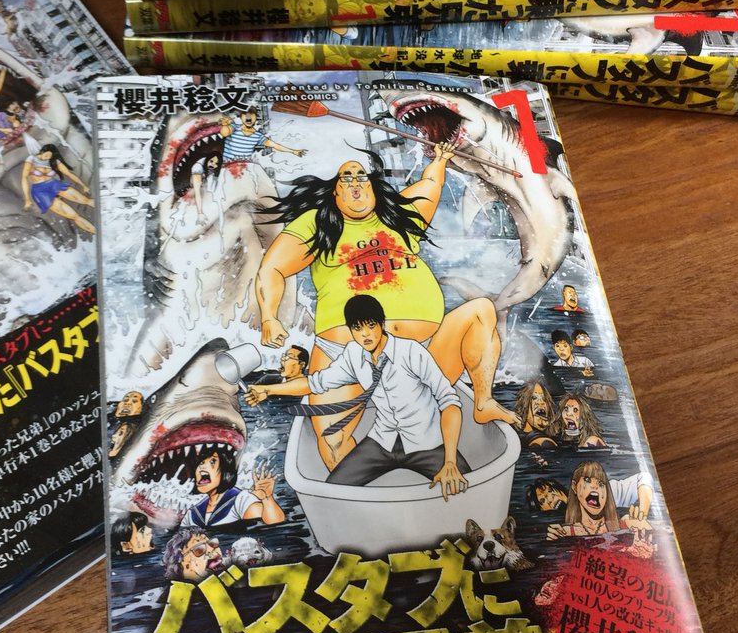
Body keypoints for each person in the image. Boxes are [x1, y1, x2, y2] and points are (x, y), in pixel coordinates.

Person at [255, 149, 517, 428]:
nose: (355, 183)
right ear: (335, 192)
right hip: (346, 354)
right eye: (346, 178)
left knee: (482, 310)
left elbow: (431, 183)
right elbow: (272, 269)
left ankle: (483, 402)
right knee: (334, 442)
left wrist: (441, 158)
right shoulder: (317, 222)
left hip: (421, 356)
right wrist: (269, 317)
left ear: (372, 187)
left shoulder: (399, 215)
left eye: (361, 177)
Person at [247, 294, 467, 497]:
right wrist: (268, 390)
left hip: (427, 443)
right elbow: (315, 383)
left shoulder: (410, 351)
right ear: (351, 330)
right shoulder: (354, 354)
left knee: (468, 483)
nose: (365, 335)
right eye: (358, 328)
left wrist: (449, 461)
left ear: (382, 324)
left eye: (371, 326)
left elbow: (449, 402)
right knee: (334, 490)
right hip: (382, 442)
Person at [181, 447, 285, 528]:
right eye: (201, 463)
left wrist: (267, 498)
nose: (202, 467)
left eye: (212, 462)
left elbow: (271, 525)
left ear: (226, 471)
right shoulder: (192, 515)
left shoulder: (241, 500)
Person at [526, 468, 653, 532]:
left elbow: (644, 477)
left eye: (550, 491)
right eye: (542, 501)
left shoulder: (598, 494)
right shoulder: (558, 530)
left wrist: (642, 514)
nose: (550, 499)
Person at [21, 143, 95, 235]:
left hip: (53, 184)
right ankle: (96, 231)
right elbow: (24, 178)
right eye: (47, 155)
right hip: (40, 192)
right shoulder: (31, 159)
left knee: (85, 200)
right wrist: (27, 199)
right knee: (74, 216)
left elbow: (69, 174)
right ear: (42, 151)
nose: (48, 158)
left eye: (50, 156)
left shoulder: (53, 161)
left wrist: (83, 185)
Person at [220, 106, 306, 163]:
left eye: (251, 115)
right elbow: (225, 133)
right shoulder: (235, 127)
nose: (248, 117)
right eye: (245, 115)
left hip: (245, 167)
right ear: (241, 117)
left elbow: (275, 145)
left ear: (255, 118)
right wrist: (225, 125)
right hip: (227, 165)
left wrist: (293, 151)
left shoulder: (258, 136)